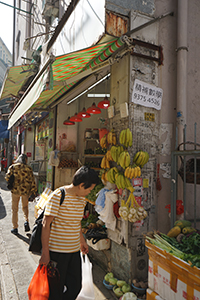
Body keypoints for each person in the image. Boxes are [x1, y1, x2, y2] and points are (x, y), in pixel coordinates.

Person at [39, 166, 99, 300]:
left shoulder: (82, 200)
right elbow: (45, 224)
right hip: (57, 252)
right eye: (89, 189)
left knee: (75, 287)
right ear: (82, 185)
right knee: (55, 289)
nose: (89, 192)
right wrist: (45, 252)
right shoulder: (59, 195)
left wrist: (82, 241)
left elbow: (76, 222)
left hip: (73, 252)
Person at [5, 154, 37, 235]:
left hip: (15, 191)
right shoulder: (28, 168)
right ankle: (26, 221)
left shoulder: (13, 167)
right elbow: (32, 181)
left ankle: (15, 228)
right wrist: (33, 191)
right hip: (25, 191)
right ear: (25, 160)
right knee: (25, 207)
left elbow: (7, 177)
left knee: (14, 209)